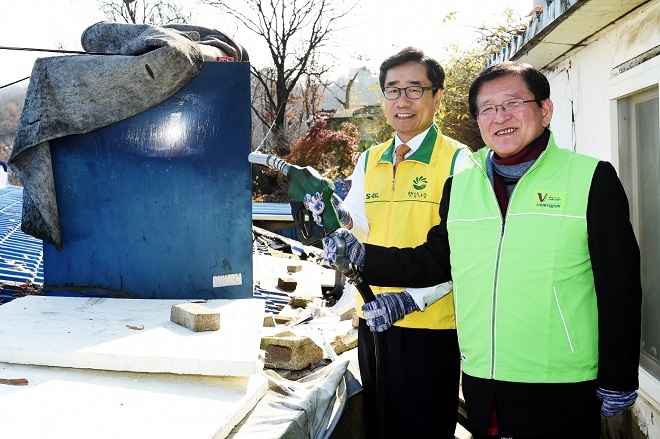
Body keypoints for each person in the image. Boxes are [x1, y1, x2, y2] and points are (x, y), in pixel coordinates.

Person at [322, 61, 642, 438]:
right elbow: (434, 262)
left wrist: (619, 376)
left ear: (545, 109)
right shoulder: (462, 184)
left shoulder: (590, 178)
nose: (500, 117)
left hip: (561, 380)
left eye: (512, 103)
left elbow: (619, 286)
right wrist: (363, 257)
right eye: (487, 109)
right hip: (482, 378)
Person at [308, 46, 471, 439]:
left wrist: (410, 299)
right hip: (373, 317)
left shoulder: (459, 161)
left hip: (429, 324)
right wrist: (337, 217)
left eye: (415, 89)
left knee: (424, 428)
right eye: (392, 90)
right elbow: (360, 225)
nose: (403, 101)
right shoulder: (370, 158)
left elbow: (463, 253)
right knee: (381, 424)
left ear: (438, 96)